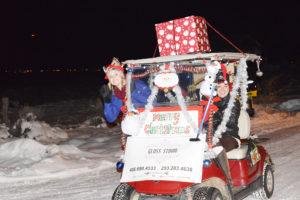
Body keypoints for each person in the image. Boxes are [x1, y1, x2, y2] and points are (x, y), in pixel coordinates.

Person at [100, 57, 151, 123]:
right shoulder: (115, 96)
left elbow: (153, 101)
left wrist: (133, 92)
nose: (113, 78)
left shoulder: (136, 83)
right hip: (132, 125)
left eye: (116, 74)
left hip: (148, 120)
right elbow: (111, 118)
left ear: (121, 75)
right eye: (110, 76)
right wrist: (107, 101)